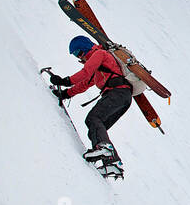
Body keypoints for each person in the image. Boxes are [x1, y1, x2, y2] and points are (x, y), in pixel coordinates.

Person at [48, 35, 132, 165]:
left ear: (86, 47)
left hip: (118, 93)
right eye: (76, 55)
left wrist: (65, 81)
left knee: (93, 119)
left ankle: (104, 148)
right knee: (95, 130)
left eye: (79, 52)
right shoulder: (99, 66)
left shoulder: (99, 54)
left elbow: (86, 72)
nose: (79, 57)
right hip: (123, 98)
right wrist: (66, 93)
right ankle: (112, 163)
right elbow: (85, 83)